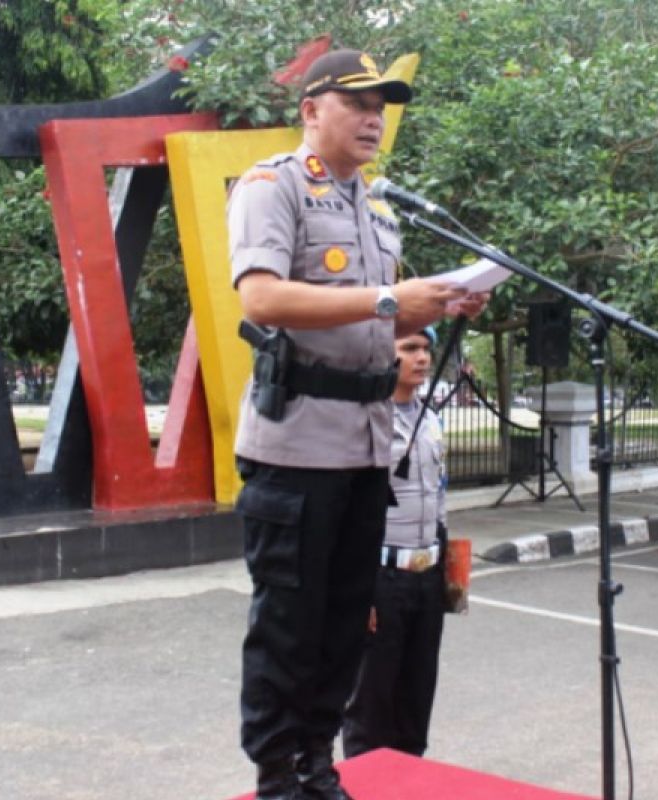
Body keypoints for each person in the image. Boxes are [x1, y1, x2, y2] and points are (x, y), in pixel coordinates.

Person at [228, 48, 485, 800]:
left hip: (368, 445)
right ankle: (279, 773)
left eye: (383, 105)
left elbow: (387, 309)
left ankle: (318, 761)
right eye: (358, 102)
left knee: (345, 621)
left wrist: (442, 302)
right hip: (298, 442)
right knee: (289, 620)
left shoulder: (375, 209)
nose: (375, 118)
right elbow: (264, 301)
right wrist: (385, 300)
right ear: (312, 110)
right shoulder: (272, 187)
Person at [343, 328, 448, 759]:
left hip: (427, 576)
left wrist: (450, 575)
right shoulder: (366, 419)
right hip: (381, 576)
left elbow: (439, 496)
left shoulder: (430, 416)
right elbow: (347, 511)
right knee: (371, 705)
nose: (421, 357)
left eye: (425, 349)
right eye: (409, 349)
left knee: (416, 698)